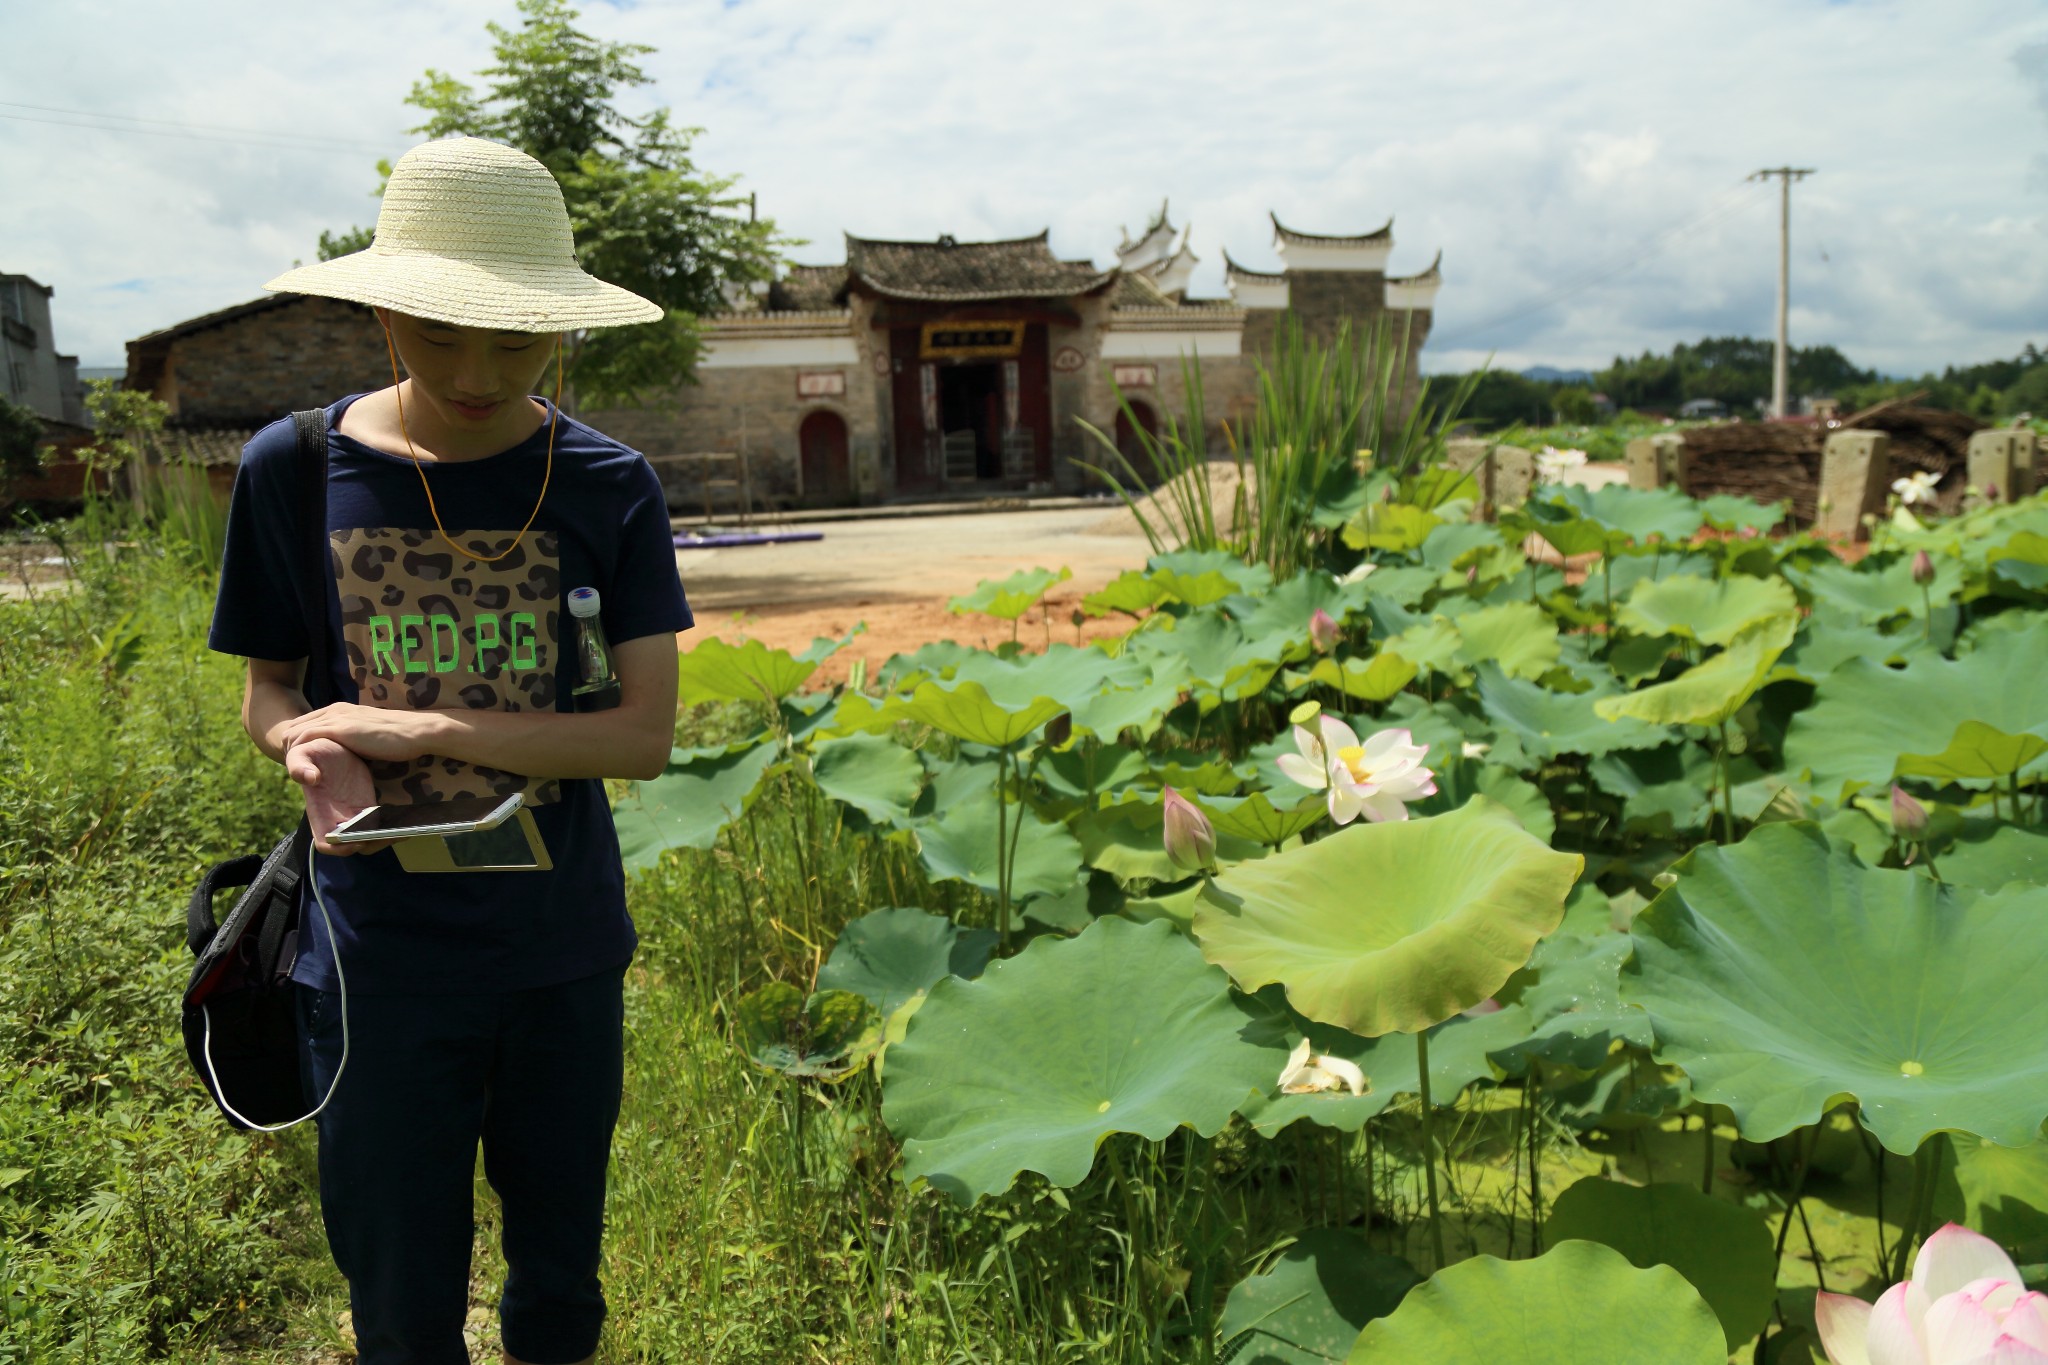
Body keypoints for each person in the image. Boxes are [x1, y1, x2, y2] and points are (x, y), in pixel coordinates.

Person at [208, 136, 691, 1365]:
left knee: (557, 1291)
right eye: (439, 334)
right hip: (372, 958)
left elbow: (639, 739)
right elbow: (272, 695)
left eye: (517, 338)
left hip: (558, 951)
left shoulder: (607, 485)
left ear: (561, 328)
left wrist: (420, 727)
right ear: (384, 312)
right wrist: (310, 756)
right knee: (401, 1304)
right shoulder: (294, 467)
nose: (477, 371)